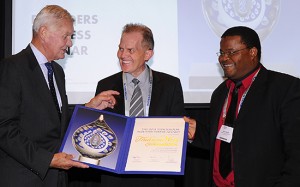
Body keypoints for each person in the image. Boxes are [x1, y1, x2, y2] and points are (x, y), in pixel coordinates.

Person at [0, 5, 118, 187]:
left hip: (56, 179)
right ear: (44, 32)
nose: (70, 43)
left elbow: (55, 122)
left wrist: (89, 107)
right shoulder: (12, 67)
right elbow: (4, 128)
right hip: (24, 178)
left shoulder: (57, 71)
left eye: (71, 37)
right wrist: (47, 160)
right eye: (66, 36)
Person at [68, 23, 185, 187]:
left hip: (157, 176)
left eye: (130, 50)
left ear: (147, 53)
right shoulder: (106, 84)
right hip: (115, 177)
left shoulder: (170, 85)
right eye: (120, 48)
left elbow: (178, 133)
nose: (122, 55)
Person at [185, 26, 300, 187]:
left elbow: (296, 152)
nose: (224, 58)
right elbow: (227, 139)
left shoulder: (284, 88)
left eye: (231, 52)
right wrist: (196, 132)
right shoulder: (220, 93)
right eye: (222, 53)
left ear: (252, 52)